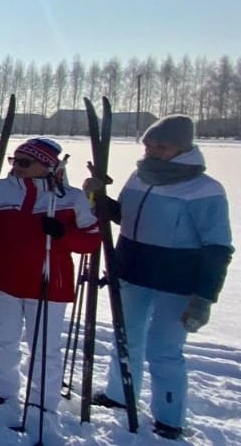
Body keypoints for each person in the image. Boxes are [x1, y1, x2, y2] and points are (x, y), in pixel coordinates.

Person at [87, 115, 232, 440]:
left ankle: (169, 418)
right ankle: (119, 395)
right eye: (148, 144)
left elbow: (218, 247)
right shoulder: (140, 177)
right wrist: (96, 197)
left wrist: (204, 298)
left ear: (183, 148)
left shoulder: (205, 189)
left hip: (177, 283)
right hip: (131, 272)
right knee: (126, 339)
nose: (150, 151)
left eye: (160, 146)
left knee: (163, 350)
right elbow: (122, 215)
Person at [0, 137, 99, 435]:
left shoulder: (69, 197)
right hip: (4, 280)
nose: (17, 168)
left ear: (47, 166)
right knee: (2, 339)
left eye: (25, 163)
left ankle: (42, 403)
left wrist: (64, 234)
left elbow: (92, 239)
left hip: (49, 285)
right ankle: (0, 391)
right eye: (14, 161)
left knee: (45, 348)